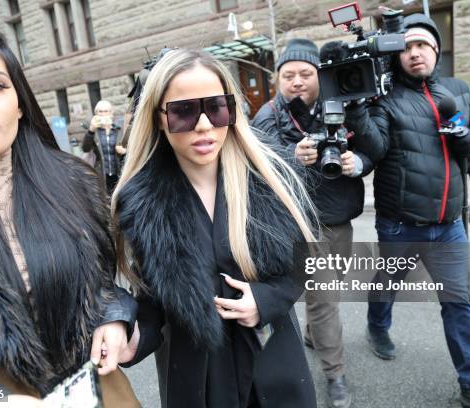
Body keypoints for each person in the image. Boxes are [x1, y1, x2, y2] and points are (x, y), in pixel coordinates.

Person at [0, 23, 139, 407]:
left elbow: (101, 286)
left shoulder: (72, 183)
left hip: (98, 392)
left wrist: (115, 317)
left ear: (20, 102)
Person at [112, 49, 318, 408]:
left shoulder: (271, 177)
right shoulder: (141, 204)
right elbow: (152, 299)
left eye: (217, 107)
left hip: (273, 364)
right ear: (159, 118)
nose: (204, 125)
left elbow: (303, 261)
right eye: (183, 111)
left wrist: (267, 300)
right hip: (197, 379)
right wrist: (131, 336)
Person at [345, 14, 470, 407]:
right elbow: (375, 147)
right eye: (406, 47)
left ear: (435, 50)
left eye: (422, 45)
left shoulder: (459, 91)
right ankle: (377, 326)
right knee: (389, 283)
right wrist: (356, 110)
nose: (414, 53)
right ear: (397, 56)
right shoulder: (386, 100)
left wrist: (467, 137)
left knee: (458, 304)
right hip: (400, 225)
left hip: (450, 225)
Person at [251, 38, 373, 408]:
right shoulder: (266, 117)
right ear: (278, 80)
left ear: (320, 76)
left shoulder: (341, 106)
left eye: (306, 73)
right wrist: (290, 156)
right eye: (289, 75)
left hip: (341, 221)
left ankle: (311, 334)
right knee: (325, 302)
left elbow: (374, 146)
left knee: (329, 290)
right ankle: (335, 374)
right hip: (299, 227)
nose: (298, 81)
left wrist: (360, 163)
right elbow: (253, 171)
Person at [82, 99, 126, 194]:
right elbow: (85, 148)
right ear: (96, 114)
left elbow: (131, 148)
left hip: (119, 173)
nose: (103, 114)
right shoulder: (94, 130)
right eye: (100, 111)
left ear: (111, 113)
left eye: (106, 111)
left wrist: (124, 151)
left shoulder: (119, 129)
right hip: (101, 174)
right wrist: (91, 130)